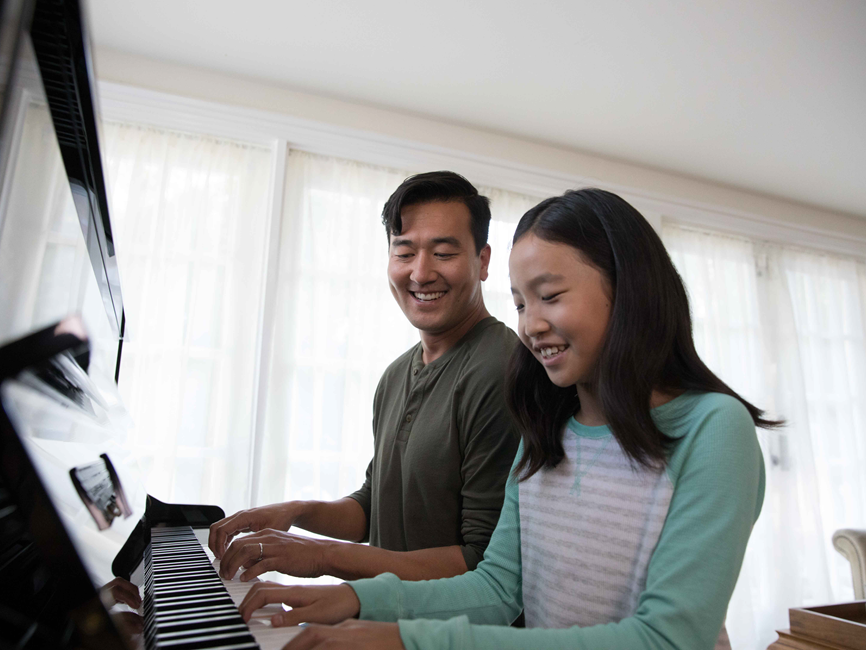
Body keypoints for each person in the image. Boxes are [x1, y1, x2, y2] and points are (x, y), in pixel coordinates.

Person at [236, 188, 778, 650]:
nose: (531, 324)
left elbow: (666, 639)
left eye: (550, 296)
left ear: (628, 289)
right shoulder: (546, 428)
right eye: (519, 304)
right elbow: (496, 588)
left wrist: (408, 638)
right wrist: (355, 598)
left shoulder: (712, 429)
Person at [209, 172, 521, 583]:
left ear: (482, 261)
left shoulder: (501, 368)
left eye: (443, 253)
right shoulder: (395, 376)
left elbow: (481, 562)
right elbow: (374, 508)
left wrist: (320, 557)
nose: (421, 273)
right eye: (404, 253)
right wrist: (294, 512)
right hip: (384, 624)